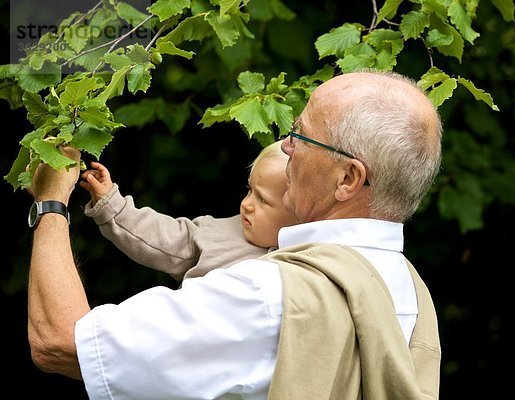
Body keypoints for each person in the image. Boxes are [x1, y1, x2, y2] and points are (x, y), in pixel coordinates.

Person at [25, 69, 443, 400]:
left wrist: (51, 202)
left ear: (348, 178)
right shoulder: (410, 291)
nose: (287, 147)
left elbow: (61, 342)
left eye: (302, 135)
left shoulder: (267, 294)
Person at [79, 141, 297, 281]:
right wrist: (113, 206)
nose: (246, 204)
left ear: (300, 215)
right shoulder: (218, 233)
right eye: (250, 190)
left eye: (263, 200)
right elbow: (164, 237)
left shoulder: (307, 265)